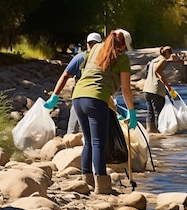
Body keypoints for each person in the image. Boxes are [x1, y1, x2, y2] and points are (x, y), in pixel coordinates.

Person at [46, 29, 137, 194]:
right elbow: (126, 89)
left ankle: (86, 180)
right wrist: (132, 111)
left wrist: (54, 96)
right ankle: (102, 186)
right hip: (95, 100)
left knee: (88, 141)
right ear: (123, 45)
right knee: (98, 142)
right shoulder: (122, 58)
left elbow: (89, 72)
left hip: (78, 98)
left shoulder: (95, 49)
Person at [44, 32, 103, 134]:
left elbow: (65, 76)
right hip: (98, 97)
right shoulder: (104, 59)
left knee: (73, 131)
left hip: (79, 96)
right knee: (95, 133)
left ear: (87, 44)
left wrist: (55, 96)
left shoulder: (80, 58)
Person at [143, 46, 176, 133]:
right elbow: (157, 71)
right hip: (156, 90)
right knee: (159, 112)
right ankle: (160, 131)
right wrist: (168, 87)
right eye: (170, 53)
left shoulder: (154, 60)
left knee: (150, 112)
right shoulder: (163, 61)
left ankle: (150, 131)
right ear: (167, 53)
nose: (171, 55)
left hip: (147, 89)